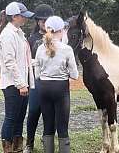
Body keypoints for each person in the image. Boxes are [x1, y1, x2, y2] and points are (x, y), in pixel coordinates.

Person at [35, 16, 78, 153]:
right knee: (62, 127)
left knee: (48, 125)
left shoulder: (40, 48)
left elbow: (37, 73)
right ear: (61, 31)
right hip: (61, 89)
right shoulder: (67, 49)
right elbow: (75, 75)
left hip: (44, 88)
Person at [0, 2, 35, 153]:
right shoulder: (7, 35)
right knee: (11, 118)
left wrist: (43, 60)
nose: (25, 19)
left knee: (20, 118)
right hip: (13, 84)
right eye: (23, 16)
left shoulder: (19, 33)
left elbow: (23, 59)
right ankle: (8, 150)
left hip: (22, 82)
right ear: (14, 17)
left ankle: (17, 148)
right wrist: (21, 84)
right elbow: (9, 62)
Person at [24, 4, 54, 153]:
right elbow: (27, 61)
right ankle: (29, 143)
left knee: (50, 113)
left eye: (46, 19)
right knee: (34, 111)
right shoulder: (31, 39)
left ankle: (47, 141)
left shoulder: (57, 38)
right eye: (41, 20)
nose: (43, 22)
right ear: (37, 21)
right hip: (36, 80)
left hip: (52, 80)